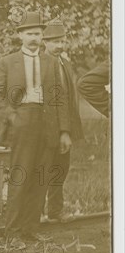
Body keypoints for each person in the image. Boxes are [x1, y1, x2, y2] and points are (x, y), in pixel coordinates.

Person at [0, 11, 71, 249]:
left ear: (42, 36)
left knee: (41, 178)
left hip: (48, 125)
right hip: (21, 124)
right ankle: (12, 233)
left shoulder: (51, 62)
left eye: (38, 33)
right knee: (20, 177)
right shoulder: (7, 62)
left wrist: (64, 131)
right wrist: (12, 118)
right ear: (20, 35)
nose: (34, 38)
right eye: (29, 33)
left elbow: (60, 99)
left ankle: (30, 230)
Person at [42, 20, 84, 223]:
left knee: (60, 169)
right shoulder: (39, 63)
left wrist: (66, 131)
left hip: (64, 127)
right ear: (45, 42)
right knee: (42, 171)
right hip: (45, 128)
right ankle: (36, 213)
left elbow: (67, 99)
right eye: (54, 41)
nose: (59, 45)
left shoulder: (65, 64)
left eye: (62, 41)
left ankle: (55, 212)